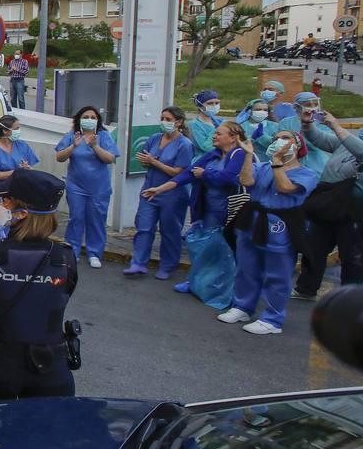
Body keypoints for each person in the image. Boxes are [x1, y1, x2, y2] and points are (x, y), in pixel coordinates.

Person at [0, 169, 78, 404]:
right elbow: (65, 293)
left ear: (22, 213)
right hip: (49, 367)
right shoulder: (65, 257)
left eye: (4, 200)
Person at [217, 130, 318, 335]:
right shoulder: (262, 166)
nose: (278, 141)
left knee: (277, 273)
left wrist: (277, 163)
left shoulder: (307, 174)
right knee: (246, 267)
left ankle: (273, 319)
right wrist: (247, 154)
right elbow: (246, 181)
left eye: (285, 138)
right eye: (275, 138)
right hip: (252, 220)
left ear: (297, 146)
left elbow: (284, 188)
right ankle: (242, 306)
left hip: (279, 224)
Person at [144, 121, 248, 296]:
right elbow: (188, 173)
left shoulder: (239, 154)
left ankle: (225, 287)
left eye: (219, 134)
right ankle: (196, 281)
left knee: (225, 250)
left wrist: (206, 174)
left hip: (227, 211)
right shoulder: (214, 154)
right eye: (215, 133)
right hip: (208, 209)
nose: (214, 136)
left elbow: (229, 177)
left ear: (233, 138)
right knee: (204, 247)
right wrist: (161, 189)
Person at [292, 111, 363, 302]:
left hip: (356, 212)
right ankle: (306, 289)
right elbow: (320, 139)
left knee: (353, 257)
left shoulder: (357, 146)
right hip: (329, 206)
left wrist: (336, 126)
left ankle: (350, 297)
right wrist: (308, 124)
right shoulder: (345, 145)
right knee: (314, 248)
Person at [124, 108, 194, 279]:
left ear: (178, 122)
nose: (164, 121)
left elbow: (179, 172)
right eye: (162, 118)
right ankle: (138, 262)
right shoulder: (155, 138)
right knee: (144, 227)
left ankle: (167, 265)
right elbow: (146, 161)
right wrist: (147, 162)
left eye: (168, 119)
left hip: (173, 194)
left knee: (170, 230)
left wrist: (154, 162)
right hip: (149, 189)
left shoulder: (184, 144)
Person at [54, 106, 119, 268]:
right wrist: (74, 146)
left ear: (98, 120)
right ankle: (72, 251)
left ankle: (94, 253)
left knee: (96, 219)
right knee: (76, 217)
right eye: (86, 116)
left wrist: (95, 146)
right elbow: (59, 157)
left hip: (99, 187)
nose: (90, 120)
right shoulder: (72, 136)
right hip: (76, 186)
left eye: (93, 117)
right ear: (79, 119)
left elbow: (110, 159)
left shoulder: (103, 136)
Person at [0, 116, 39, 240]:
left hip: (19, 195)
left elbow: (30, 168)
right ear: (5, 131)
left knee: (18, 227)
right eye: (16, 128)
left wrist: (27, 169)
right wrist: (16, 172)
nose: (19, 131)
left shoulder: (22, 145)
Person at [282, 91, 334, 177]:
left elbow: (320, 143)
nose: (313, 107)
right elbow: (283, 143)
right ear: (297, 107)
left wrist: (307, 125)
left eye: (315, 104)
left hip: (317, 164)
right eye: (308, 105)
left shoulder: (322, 123)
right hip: (290, 163)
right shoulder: (286, 122)